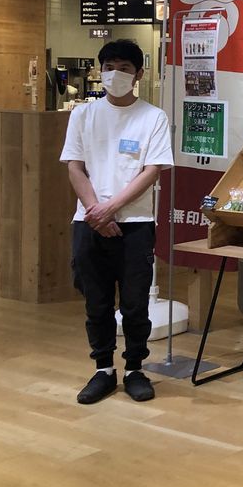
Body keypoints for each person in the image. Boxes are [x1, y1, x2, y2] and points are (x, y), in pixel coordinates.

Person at [60, 39, 173, 404]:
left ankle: (135, 368)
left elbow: (151, 171)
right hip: (88, 222)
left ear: (139, 74)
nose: (115, 75)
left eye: (124, 68)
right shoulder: (83, 114)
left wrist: (111, 209)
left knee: (136, 303)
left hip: (136, 222)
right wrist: (96, 211)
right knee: (96, 301)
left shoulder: (153, 117)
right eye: (109, 68)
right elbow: (75, 167)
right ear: (100, 71)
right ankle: (103, 369)